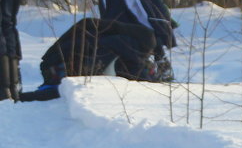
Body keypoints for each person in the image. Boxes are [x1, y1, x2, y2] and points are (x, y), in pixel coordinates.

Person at [19, 16, 157, 101]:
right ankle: (19, 98)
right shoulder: (110, 44)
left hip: (53, 63)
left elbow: (133, 69)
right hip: (56, 68)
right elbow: (85, 81)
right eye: (146, 53)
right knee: (60, 92)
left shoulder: (108, 33)